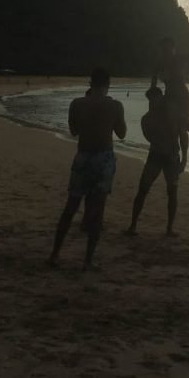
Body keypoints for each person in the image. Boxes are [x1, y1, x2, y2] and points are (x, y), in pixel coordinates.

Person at [49, 68, 126, 270]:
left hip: (83, 155)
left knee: (71, 206)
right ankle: (88, 261)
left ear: (90, 83)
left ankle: (55, 254)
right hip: (103, 158)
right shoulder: (115, 105)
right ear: (108, 84)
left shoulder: (77, 103)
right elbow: (122, 133)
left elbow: (74, 131)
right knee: (96, 210)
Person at [126, 86, 187, 237]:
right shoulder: (147, 119)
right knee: (143, 190)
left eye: (157, 99)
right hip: (156, 156)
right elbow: (151, 138)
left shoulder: (173, 113)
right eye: (152, 100)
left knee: (172, 192)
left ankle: (169, 228)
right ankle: (133, 225)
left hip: (172, 157)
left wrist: (185, 157)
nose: (154, 102)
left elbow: (183, 134)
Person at [151, 35, 189, 156]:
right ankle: (167, 149)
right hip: (169, 98)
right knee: (166, 125)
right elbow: (153, 86)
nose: (165, 53)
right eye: (163, 50)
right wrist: (153, 104)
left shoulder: (179, 60)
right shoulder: (159, 64)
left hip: (184, 98)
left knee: (180, 127)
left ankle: (184, 158)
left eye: (168, 50)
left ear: (173, 49)